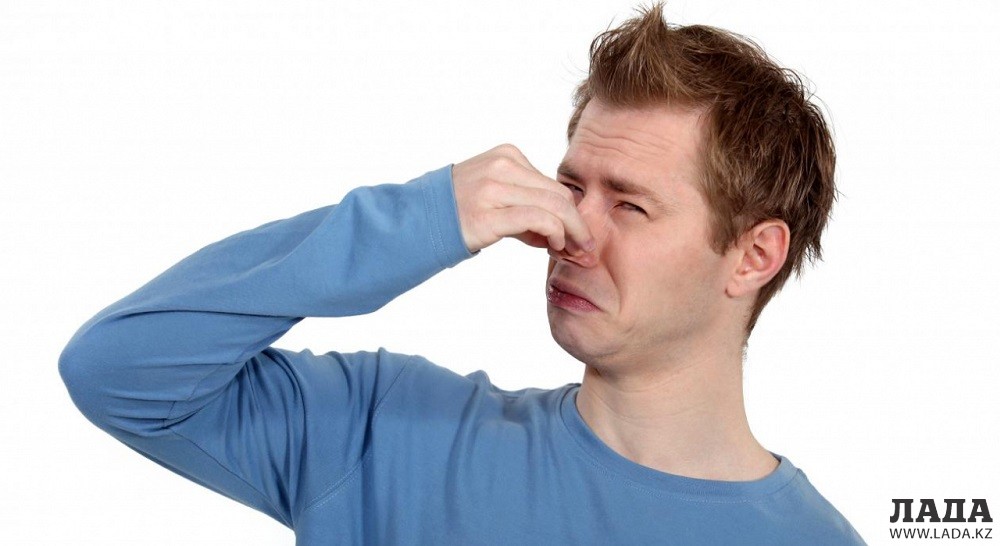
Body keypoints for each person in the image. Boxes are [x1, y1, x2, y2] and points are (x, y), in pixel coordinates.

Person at [59, 3, 866, 544]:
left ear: (754, 256)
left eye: (629, 205)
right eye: (571, 187)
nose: (572, 232)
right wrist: (418, 221)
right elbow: (117, 371)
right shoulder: (383, 429)